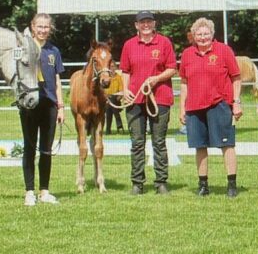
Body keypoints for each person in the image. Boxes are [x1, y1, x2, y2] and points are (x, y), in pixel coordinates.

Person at [178, 17, 242, 198]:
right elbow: (184, 82)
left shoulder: (224, 51)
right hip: (194, 107)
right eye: (199, 34)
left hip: (219, 105)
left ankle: (231, 183)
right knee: (200, 146)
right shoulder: (187, 54)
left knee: (227, 145)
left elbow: (236, 78)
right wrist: (182, 108)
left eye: (206, 34)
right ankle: (203, 184)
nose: (203, 37)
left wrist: (236, 102)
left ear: (212, 34)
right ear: (194, 36)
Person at [118, 11, 177, 195]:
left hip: (159, 98)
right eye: (142, 22)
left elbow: (172, 68)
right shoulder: (129, 45)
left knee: (158, 141)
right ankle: (137, 182)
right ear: (136, 25)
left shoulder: (164, 42)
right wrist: (125, 90)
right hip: (135, 100)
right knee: (137, 142)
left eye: (149, 22)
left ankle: (161, 182)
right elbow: (125, 71)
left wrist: (156, 79)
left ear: (154, 24)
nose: (145, 25)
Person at [21, 13, 66, 206]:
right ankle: (29, 191)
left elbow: (57, 80)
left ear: (50, 28)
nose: (42, 30)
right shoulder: (23, 49)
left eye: (46, 27)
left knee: (46, 150)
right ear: (32, 27)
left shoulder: (53, 51)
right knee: (29, 148)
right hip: (30, 104)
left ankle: (44, 191)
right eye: (39, 26)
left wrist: (61, 106)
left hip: (49, 104)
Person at [103, 61, 126, 135]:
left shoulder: (119, 77)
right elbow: (103, 90)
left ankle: (108, 129)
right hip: (107, 99)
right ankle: (119, 127)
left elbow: (121, 90)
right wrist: (106, 98)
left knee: (111, 103)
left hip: (116, 99)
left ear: (116, 68)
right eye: (111, 67)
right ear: (108, 68)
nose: (112, 68)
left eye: (114, 67)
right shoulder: (106, 78)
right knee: (109, 106)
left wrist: (118, 97)